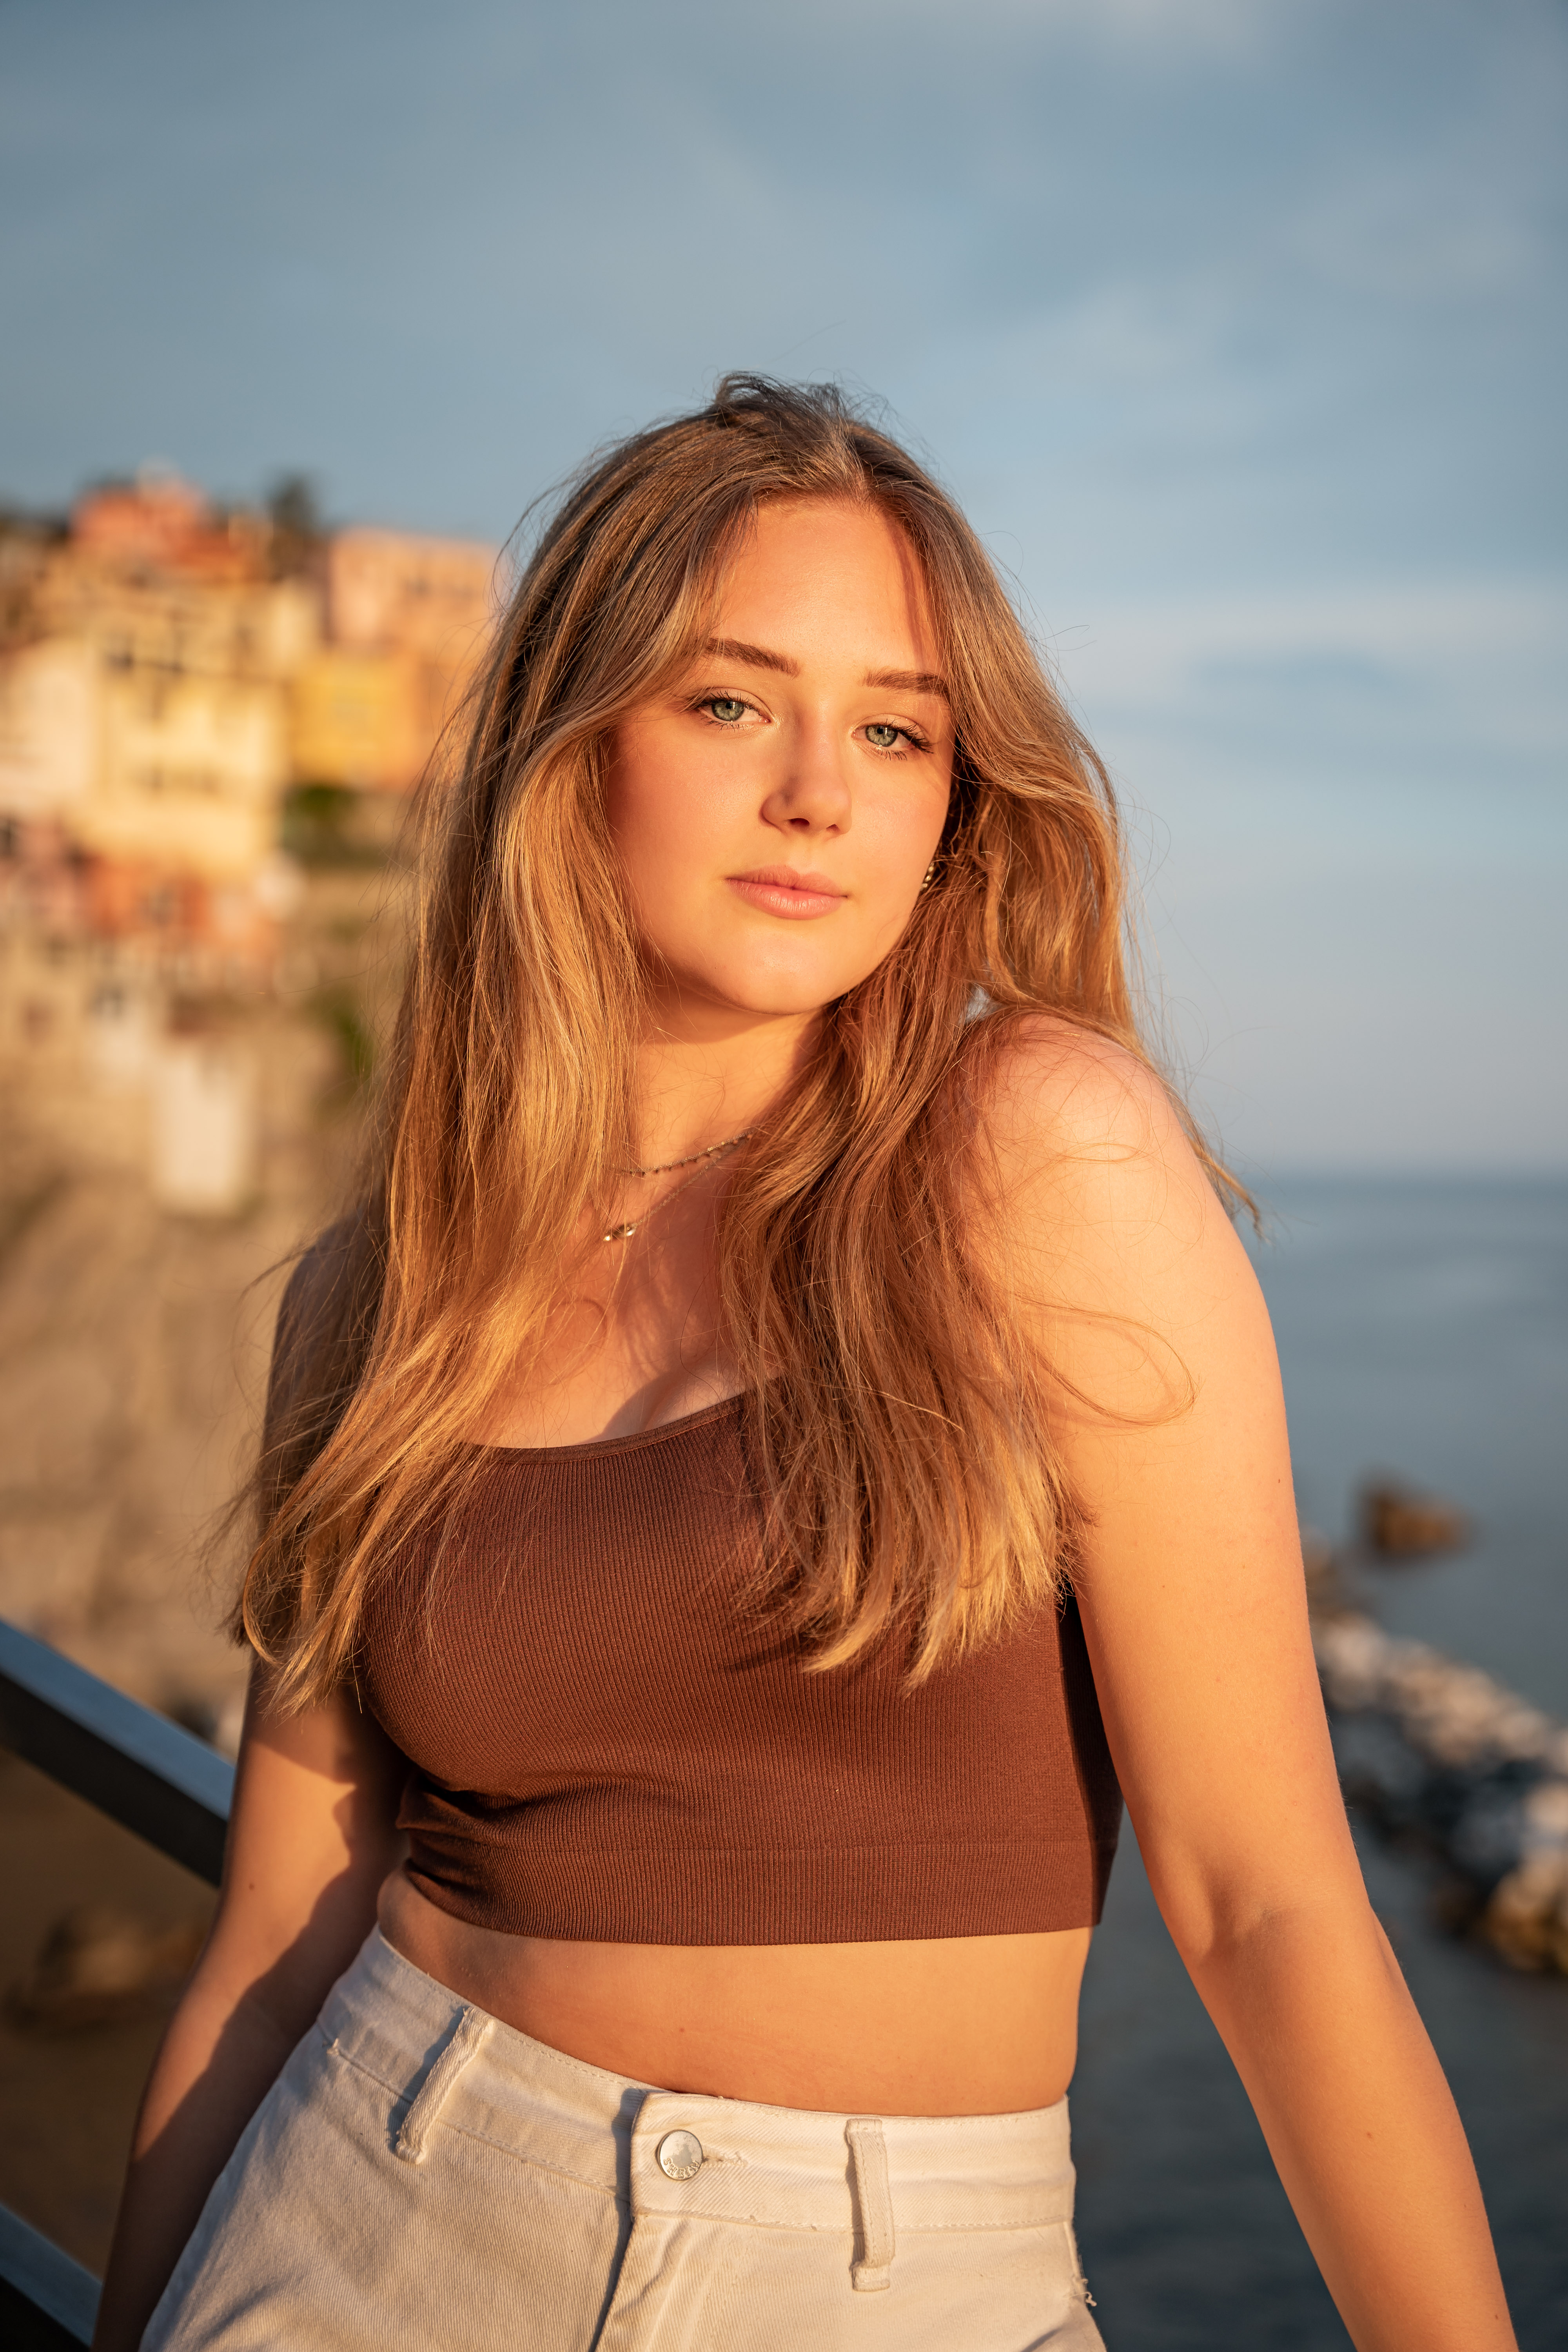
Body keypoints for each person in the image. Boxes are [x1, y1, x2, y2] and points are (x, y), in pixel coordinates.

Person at [94, 377, 1515, 2350]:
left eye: (895, 730)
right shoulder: (381, 1292)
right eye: (728, 702)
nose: (818, 796)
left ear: (953, 799)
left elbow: (1266, 1903)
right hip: (355, 2232)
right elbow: (272, 1932)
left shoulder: (1035, 1149)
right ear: (573, 749)